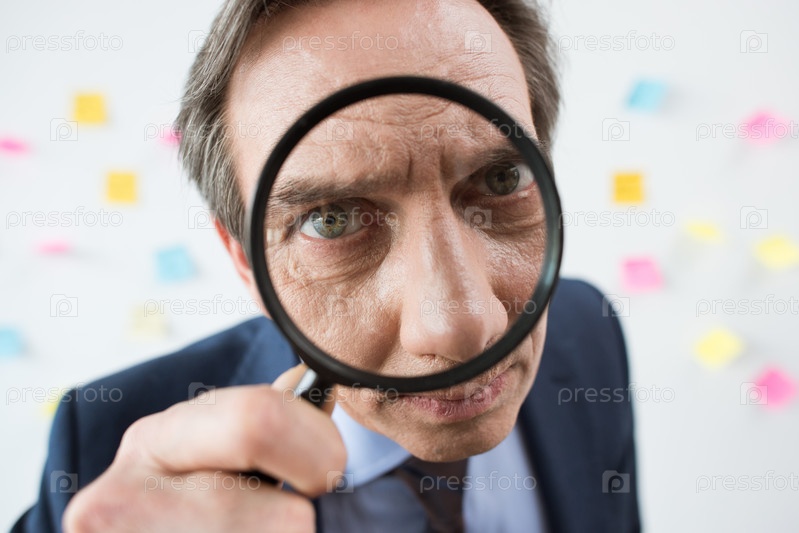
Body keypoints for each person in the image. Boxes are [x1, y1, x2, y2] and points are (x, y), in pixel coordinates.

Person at [12, 0, 640, 531]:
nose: (461, 328)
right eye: (332, 219)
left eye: (503, 179)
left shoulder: (588, 330)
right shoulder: (101, 459)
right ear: (245, 262)